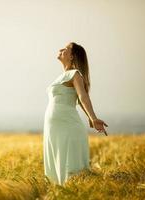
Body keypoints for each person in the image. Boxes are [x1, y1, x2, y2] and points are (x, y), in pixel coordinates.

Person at [43, 42, 108, 185]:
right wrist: (90, 117)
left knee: (70, 171)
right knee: (55, 167)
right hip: (53, 129)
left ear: (72, 56)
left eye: (66, 49)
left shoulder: (75, 74)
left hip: (68, 128)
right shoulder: (61, 76)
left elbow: (82, 97)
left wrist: (93, 118)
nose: (61, 49)